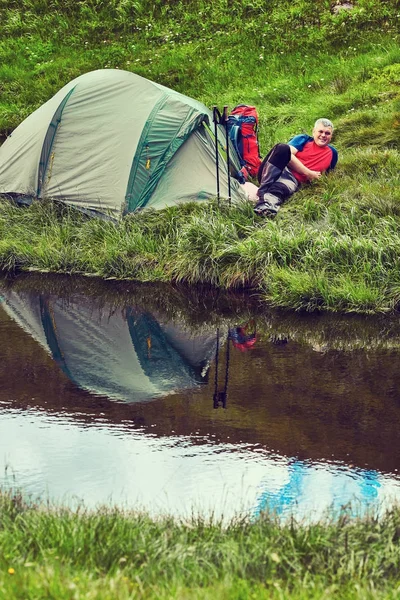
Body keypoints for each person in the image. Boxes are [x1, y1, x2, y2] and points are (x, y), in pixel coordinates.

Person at [251, 118, 338, 217]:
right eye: (320, 131)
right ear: (313, 132)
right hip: (277, 168)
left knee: (278, 190)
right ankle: (263, 189)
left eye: (327, 133)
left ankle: (266, 207)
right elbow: (288, 155)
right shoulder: (303, 139)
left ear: (331, 136)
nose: (323, 135)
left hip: (292, 180)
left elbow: (328, 175)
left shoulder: (333, 153)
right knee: (283, 148)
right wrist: (308, 173)